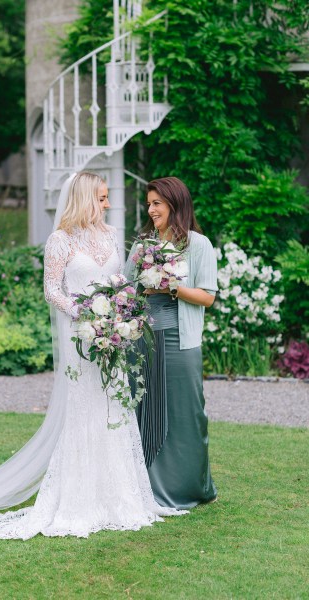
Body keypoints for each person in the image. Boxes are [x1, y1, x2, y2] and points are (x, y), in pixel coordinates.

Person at [0, 171, 186, 539]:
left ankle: (120, 496)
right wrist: (85, 313)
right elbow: (52, 291)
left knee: (114, 407)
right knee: (85, 410)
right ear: (86, 198)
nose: (107, 204)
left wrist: (119, 314)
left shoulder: (112, 235)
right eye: (102, 198)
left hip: (113, 335)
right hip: (83, 336)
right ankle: (79, 498)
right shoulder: (60, 240)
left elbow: (120, 282)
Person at [125, 176, 218, 510]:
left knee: (186, 413)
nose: (150, 210)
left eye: (156, 204)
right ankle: (144, 486)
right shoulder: (141, 247)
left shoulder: (199, 245)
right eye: (148, 204)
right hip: (143, 341)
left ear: (174, 205)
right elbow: (127, 292)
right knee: (144, 410)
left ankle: (188, 487)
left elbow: (207, 297)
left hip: (181, 342)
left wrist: (171, 287)